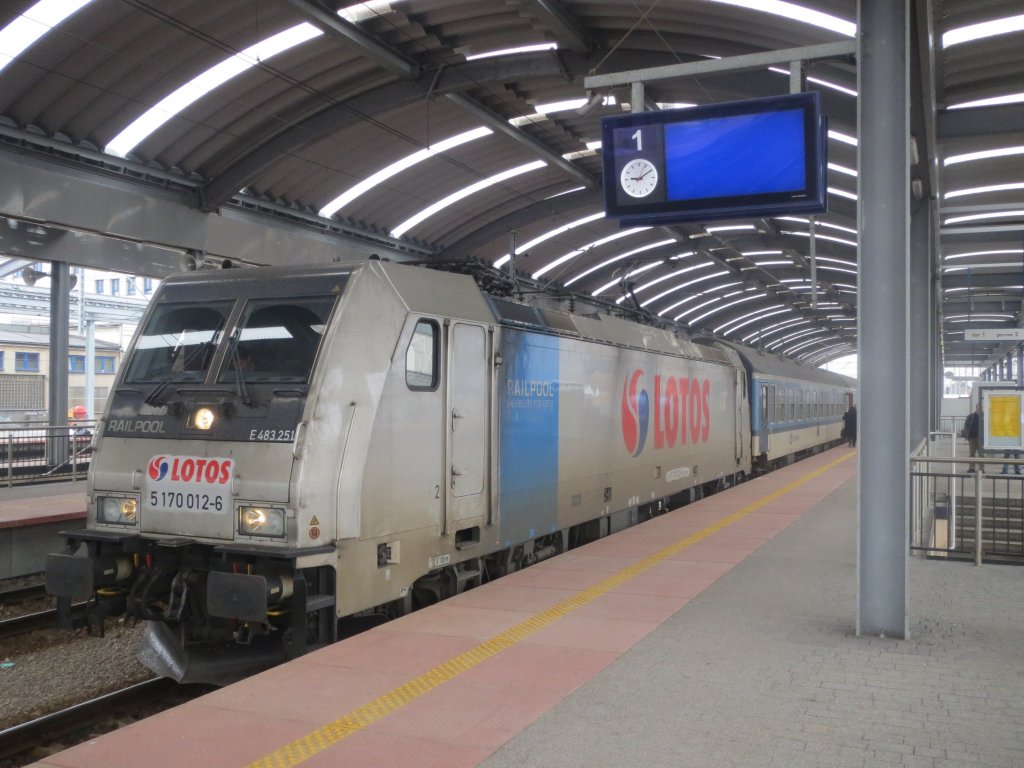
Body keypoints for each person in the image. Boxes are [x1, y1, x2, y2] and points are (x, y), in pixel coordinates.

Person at [963, 402, 983, 473]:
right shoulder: (970, 416)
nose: (979, 408)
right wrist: (966, 435)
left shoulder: (984, 416)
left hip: (980, 439)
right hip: (972, 438)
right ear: (976, 408)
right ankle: (971, 468)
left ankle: (981, 468)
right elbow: (966, 426)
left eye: (981, 407)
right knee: (972, 454)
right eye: (978, 407)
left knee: (981, 454)